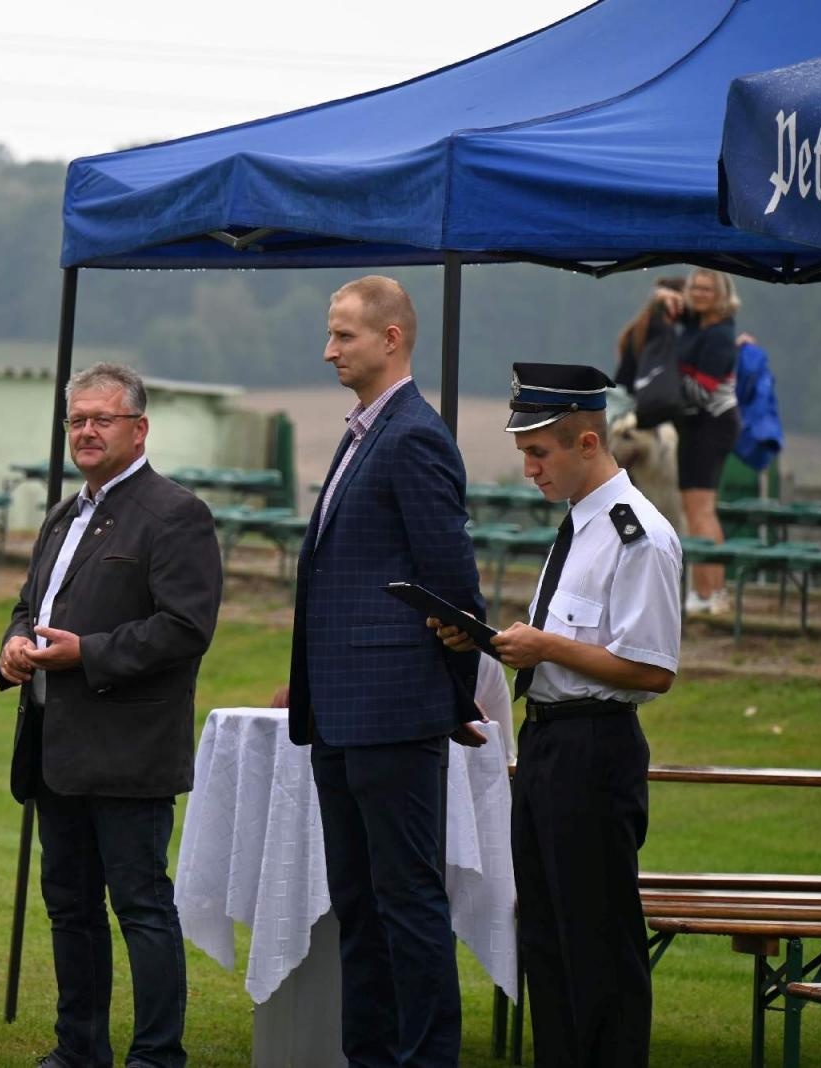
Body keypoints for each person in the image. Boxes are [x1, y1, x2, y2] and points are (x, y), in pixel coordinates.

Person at [433, 362, 680, 1068]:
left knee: (597, 944)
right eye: (525, 453)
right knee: (546, 938)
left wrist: (545, 647)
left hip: (594, 749)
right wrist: (492, 643)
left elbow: (652, 669)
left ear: (588, 443)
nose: (530, 469)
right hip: (547, 744)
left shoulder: (636, 535)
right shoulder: (579, 526)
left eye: (539, 452)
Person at [277, 275, 486, 1068]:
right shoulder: (363, 433)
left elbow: (451, 586)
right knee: (358, 906)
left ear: (391, 339)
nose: (328, 350)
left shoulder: (414, 436)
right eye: (330, 335)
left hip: (394, 711)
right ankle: (368, 1056)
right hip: (339, 714)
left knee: (407, 903)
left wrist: (449, 698)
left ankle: (427, 1059)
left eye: (344, 335)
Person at [0, 362, 223, 1068]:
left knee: (141, 909)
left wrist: (86, 653)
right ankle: (79, 1049)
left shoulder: (176, 514)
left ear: (140, 428)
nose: (87, 432)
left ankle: (156, 1056)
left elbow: (186, 627)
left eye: (103, 419)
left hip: (129, 752)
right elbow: (32, 604)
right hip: (54, 749)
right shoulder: (63, 514)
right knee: (70, 910)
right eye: (77, 420)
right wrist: (14, 643)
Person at [655, 269, 743, 614]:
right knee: (695, 511)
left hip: (712, 423)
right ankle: (708, 591)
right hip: (693, 425)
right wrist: (665, 296)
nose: (701, 293)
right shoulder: (696, 323)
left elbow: (702, 392)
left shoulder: (720, 335)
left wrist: (665, 377)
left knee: (701, 510)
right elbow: (662, 292)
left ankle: (710, 592)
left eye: (708, 289)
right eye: (696, 287)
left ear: (722, 294)